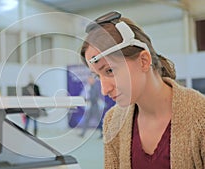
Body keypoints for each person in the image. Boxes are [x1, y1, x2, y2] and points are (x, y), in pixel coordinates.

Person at [80, 11, 205, 169]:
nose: (104, 90)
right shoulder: (113, 121)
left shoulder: (201, 117)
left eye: (110, 71)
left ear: (144, 61)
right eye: (98, 76)